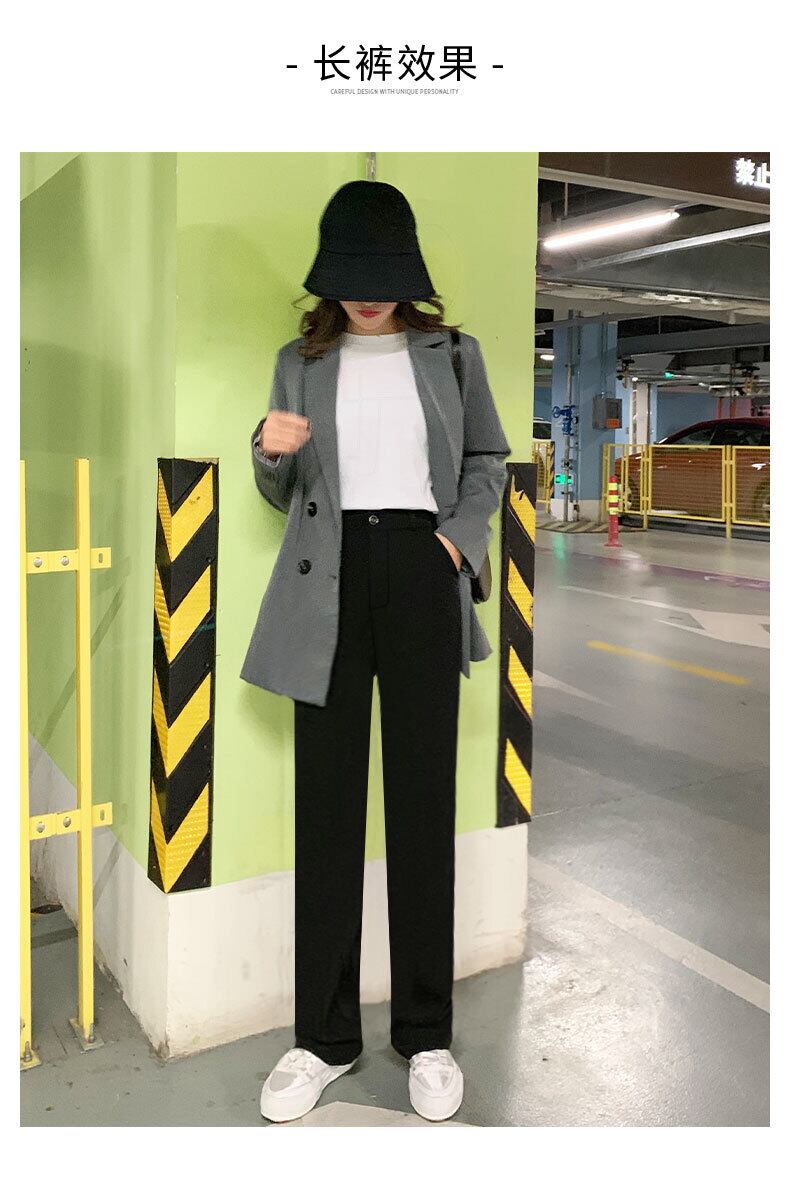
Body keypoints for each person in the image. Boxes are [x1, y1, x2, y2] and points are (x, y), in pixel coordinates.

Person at [240, 180, 511, 1123]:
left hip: (423, 569)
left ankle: (426, 1034)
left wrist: (454, 546)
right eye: (351, 277)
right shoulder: (299, 360)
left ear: (409, 274)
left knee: (423, 803)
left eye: (383, 276)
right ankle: (323, 1040)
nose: (366, 296)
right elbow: (280, 490)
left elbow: (486, 461)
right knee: (327, 809)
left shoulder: (454, 355)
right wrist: (268, 449)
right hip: (327, 576)